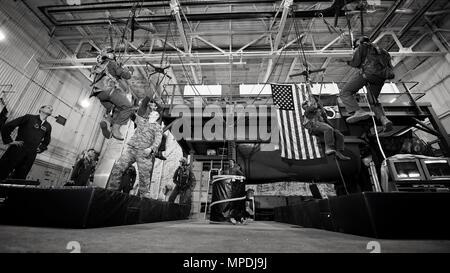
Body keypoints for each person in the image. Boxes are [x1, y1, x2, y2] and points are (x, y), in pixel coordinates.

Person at [107, 96, 163, 198]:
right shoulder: (142, 121)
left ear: (157, 116)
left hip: (144, 153)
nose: (151, 113)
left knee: (144, 176)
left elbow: (158, 140)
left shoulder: (157, 127)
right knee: (118, 168)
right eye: (151, 112)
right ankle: (112, 190)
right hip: (131, 149)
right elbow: (135, 112)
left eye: (154, 113)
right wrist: (146, 99)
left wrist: (151, 149)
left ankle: (144, 195)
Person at [340, 36, 394, 132]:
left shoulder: (363, 47)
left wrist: (347, 62)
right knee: (373, 100)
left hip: (367, 74)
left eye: (356, 46)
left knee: (345, 92)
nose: (356, 48)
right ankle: (384, 119)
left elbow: (355, 63)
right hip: (380, 78)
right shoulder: (384, 52)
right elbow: (390, 67)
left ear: (359, 43)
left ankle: (358, 111)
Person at [90, 47, 136, 140]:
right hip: (108, 91)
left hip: (98, 93)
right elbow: (126, 76)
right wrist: (130, 70)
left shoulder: (98, 65)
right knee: (128, 107)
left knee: (116, 110)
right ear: (110, 55)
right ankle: (116, 129)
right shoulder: (112, 63)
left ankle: (107, 126)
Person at [0, 105, 53, 180]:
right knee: (2, 171)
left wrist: (41, 148)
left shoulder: (48, 126)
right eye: (48, 107)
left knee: (20, 178)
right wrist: (9, 141)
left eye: (52, 109)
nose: (51, 108)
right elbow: (8, 126)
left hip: (30, 155)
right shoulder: (29, 117)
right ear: (41, 109)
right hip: (17, 149)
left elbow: (46, 141)